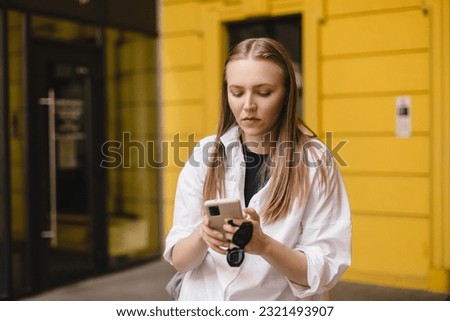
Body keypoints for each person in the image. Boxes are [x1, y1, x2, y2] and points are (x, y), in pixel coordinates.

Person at [164, 38, 351, 300]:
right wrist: (202, 236)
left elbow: (324, 272)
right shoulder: (205, 154)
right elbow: (180, 261)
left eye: (263, 92)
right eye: (237, 92)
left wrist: (263, 245)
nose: (248, 105)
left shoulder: (316, 161)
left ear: (287, 94)